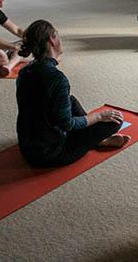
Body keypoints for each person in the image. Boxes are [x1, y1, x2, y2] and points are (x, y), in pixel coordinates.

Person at [16, 20, 130, 167]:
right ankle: (97, 141)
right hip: (50, 154)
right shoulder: (57, 78)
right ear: (52, 40)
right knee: (115, 121)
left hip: (27, 146)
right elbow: (67, 125)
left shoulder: (25, 70)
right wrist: (99, 116)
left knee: (71, 101)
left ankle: (95, 139)